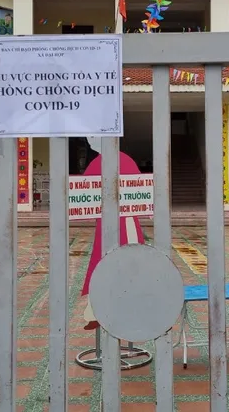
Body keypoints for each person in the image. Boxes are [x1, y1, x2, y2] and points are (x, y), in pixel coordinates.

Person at [79, 136, 146, 329]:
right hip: (111, 221)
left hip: (125, 221)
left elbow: (140, 190)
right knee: (106, 264)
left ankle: (129, 309)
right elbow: (84, 192)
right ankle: (96, 311)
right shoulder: (105, 161)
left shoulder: (116, 160)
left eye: (93, 138)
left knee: (127, 263)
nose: (90, 142)